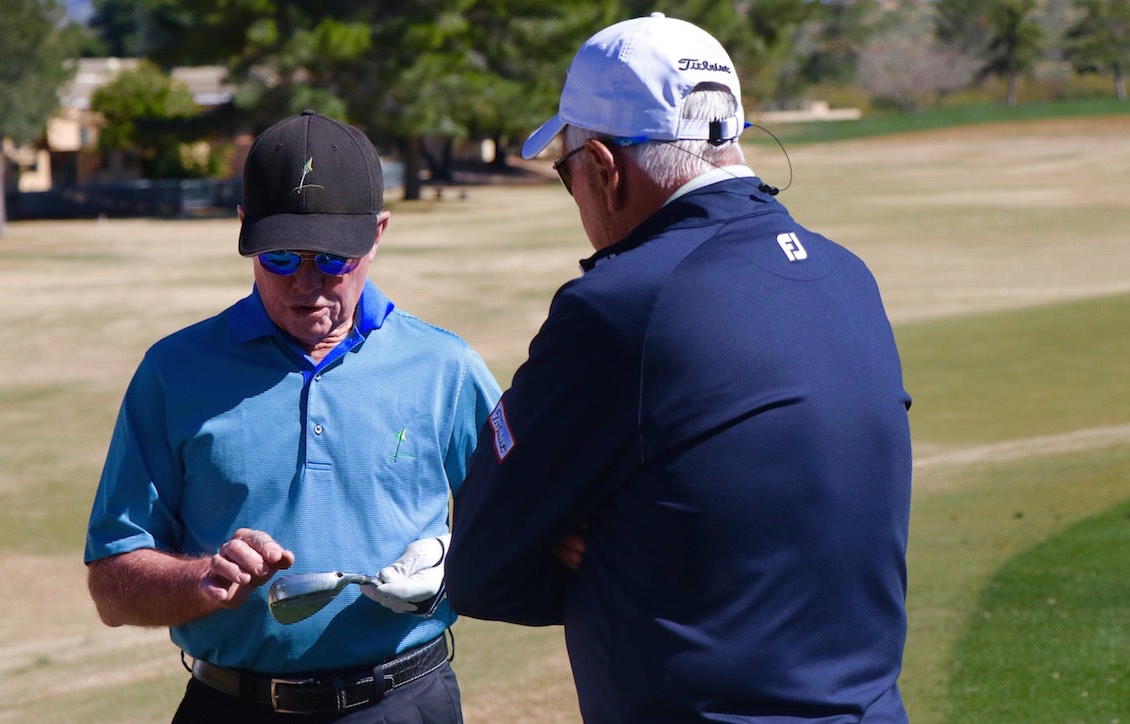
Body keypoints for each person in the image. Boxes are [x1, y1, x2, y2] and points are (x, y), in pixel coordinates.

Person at [445, 13, 913, 722]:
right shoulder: (848, 275)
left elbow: (480, 568)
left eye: (566, 174)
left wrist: (607, 555)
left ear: (604, 168)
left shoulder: (620, 307)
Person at [84, 110, 500, 722]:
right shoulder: (173, 373)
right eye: (280, 257)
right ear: (244, 231)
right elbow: (112, 585)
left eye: (334, 259)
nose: (308, 283)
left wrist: (452, 560)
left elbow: (530, 521)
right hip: (232, 705)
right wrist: (202, 581)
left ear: (377, 233)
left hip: (406, 703)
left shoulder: (446, 366)